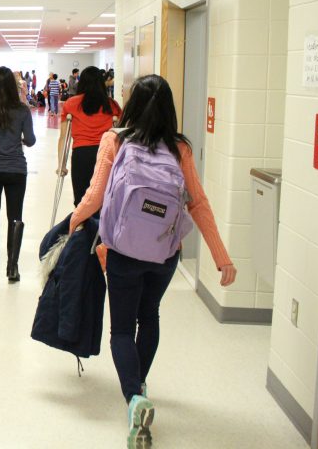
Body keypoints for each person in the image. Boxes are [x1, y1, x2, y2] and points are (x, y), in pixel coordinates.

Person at [69, 74, 237, 448]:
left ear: (130, 104)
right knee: (150, 317)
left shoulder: (115, 139)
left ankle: (134, 398)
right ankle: (140, 385)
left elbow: (95, 196)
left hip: (123, 252)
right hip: (164, 255)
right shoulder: (180, 149)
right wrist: (221, 258)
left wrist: (71, 222)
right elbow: (199, 204)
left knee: (122, 330)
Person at [0, 67, 36, 283]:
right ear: (13, 86)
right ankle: (13, 267)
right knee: (15, 215)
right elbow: (30, 140)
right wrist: (16, 139)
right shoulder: (22, 110)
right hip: (16, 169)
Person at [57, 66, 122, 206]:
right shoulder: (112, 105)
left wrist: (61, 165)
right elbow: (120, 135)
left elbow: (63, 137)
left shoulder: (71, 103)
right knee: (104, 201)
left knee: (81, 201)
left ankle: (83, 226)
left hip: (82, 155)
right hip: (106, 155)